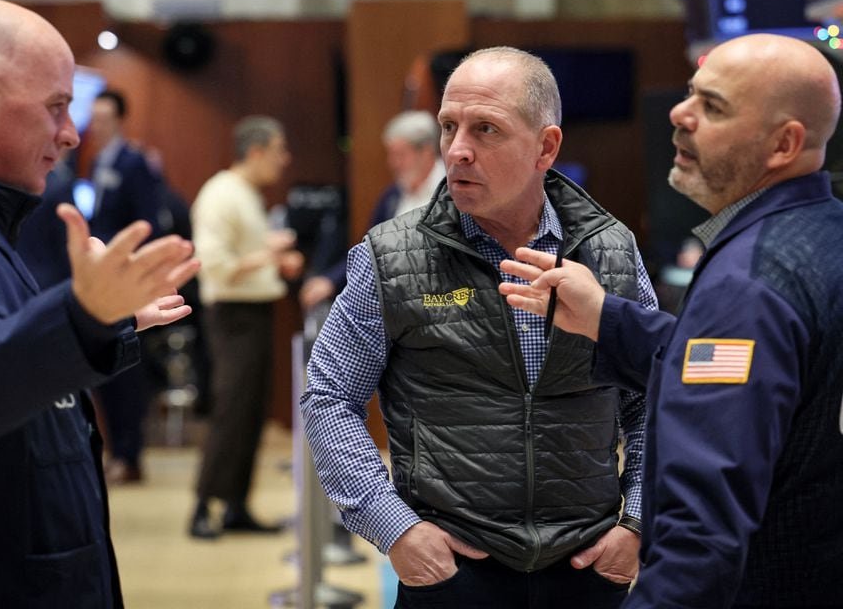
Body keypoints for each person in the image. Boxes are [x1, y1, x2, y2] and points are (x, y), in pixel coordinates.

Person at [301, 46, 658, 608]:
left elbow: (650, 400)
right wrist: (392, 526)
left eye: (486, 129)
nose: (458, 150)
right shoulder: (392, 255)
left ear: (547, 147)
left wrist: (638, 521)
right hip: (450, 571)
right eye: (449, 126)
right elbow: (329, 395)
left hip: (589, 568)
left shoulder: (609, 251)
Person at [499, 34, 843, 608]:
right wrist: (608, 320)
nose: (679, 115)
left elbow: (700, 535)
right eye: (691, 94)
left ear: (785, 143)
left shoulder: (747, 285)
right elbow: (758, 375)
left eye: (714, 107)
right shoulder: (826, 231)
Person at [0, 0, 200, 607]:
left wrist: (105, 323)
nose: (71, 132)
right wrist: (81, 318)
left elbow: (9, 363)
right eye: (56, 106)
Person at [188, 115, 304, 538]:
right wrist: (269, 255)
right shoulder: (221, 194)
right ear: (255, 152)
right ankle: (202, 507)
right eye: (278, 151)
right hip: (232, 316)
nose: (284, 160)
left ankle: (236, 504)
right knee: (231, 409)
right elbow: (215, 265)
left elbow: (246, 257)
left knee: (252, 412)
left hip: (254, 313)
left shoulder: (245, 194)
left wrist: (270, 258)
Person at [84, 88, 168, 484]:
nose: (97, 126)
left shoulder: (134, 162)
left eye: (104, 119)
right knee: (105, 368)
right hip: (100, 272)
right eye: (94, 118)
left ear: (118, 120)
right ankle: (116, 449)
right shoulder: (98, 160)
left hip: (127, 276)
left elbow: (148, 222)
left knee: (126, 369)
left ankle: (130, 454)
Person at [299, 109, 446, 311]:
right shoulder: (393, 195)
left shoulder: (452, 192)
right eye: (391, 155)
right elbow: (369, 250)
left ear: (427, 151)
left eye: (400, 155)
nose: (392, 163)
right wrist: (331, 280)